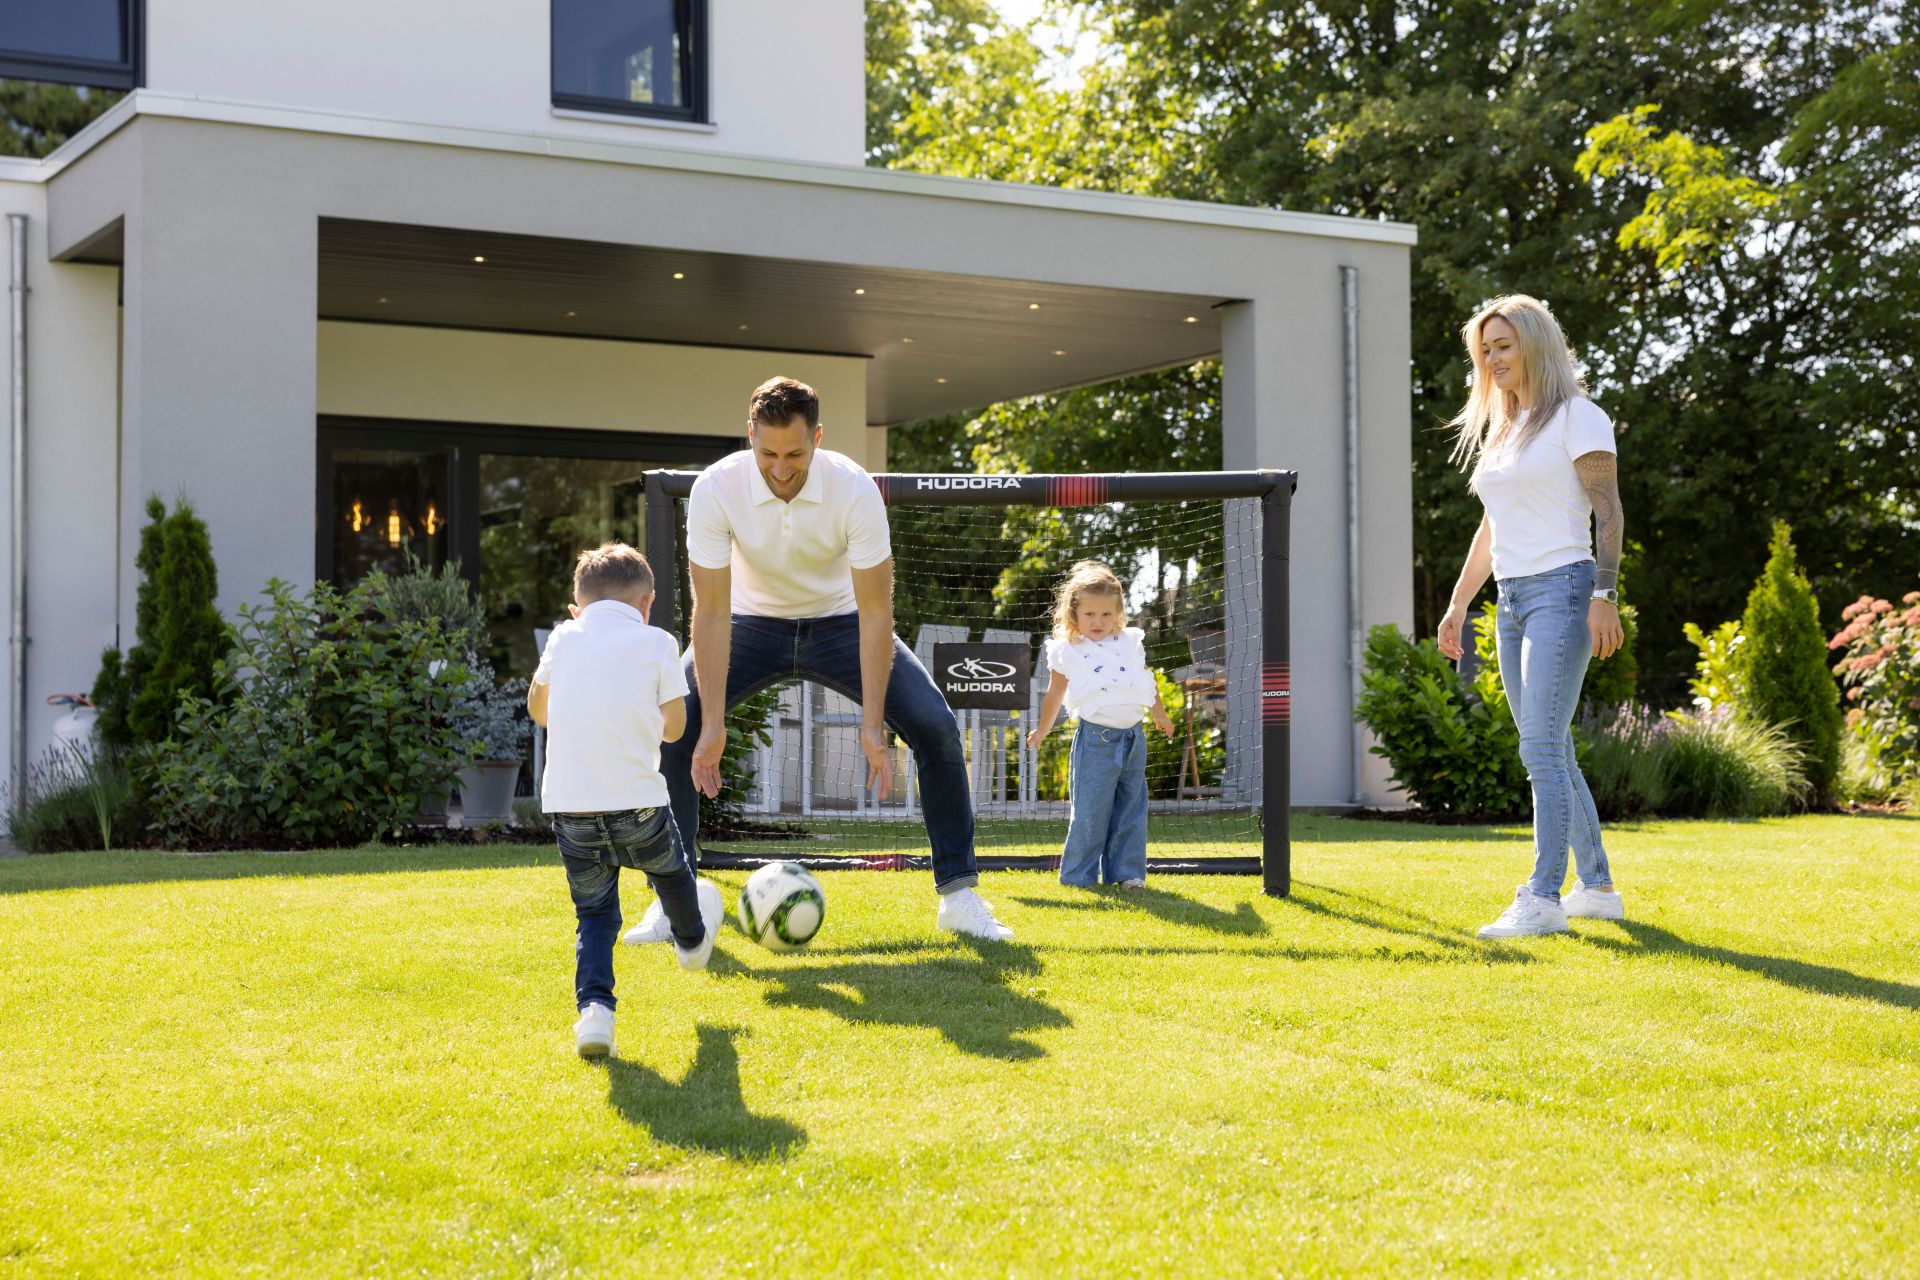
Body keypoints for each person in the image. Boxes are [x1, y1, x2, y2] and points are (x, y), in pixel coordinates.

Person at [625, 376, 1014, 943]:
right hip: (749, 623)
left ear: (818, 438)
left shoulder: (853, 488)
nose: (781, 469)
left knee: (934, 725)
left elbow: (876, 613)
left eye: (795, 454)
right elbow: (711, 613)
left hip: (842, 622)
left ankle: (959, 896)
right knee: (675, 728)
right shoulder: (716, 488)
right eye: (768, 454)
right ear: (750, 435)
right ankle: (673, 903)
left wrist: (874, 724)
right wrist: (710, 724)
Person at [1434, 295, 1628, 939]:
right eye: (1485, 350)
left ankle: (1543, 897)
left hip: (1565, 589)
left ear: (1536, 345)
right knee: (1551, 748)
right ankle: (1597, 888)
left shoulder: (1579, 417)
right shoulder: (1506, 430)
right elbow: (1492, 526)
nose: (1492, 360)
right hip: (1512, 599)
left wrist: (1605, 594)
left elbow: (1609, 512)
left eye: (1503, 346)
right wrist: (1459, 603)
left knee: (1541, 747)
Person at [527, 543, 723, 1059]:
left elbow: (538, 709)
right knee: (673, 873)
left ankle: (595, 1013)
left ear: (577, 607)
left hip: (570, 810)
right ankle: (691, 941)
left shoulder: (563, 638)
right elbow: (675, 729)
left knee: (595, 914)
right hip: (638, 805)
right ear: (646, 603)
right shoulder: (657, 642)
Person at [1025, 560, 1176, 890]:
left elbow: (1144, 681)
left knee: (1131, 808)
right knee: (1091, 811)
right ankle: (1078, 877)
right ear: (1074, 613)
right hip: (1096, 740)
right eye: (1090, 614)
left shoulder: (1129, 642)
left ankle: (1127, 874)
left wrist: (1160, 714)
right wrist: (1043, 728)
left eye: (1107, 614)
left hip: (1133, 738)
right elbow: (1055, 693)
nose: (1098, 621)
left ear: (1118, 612)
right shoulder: (1068, 649)